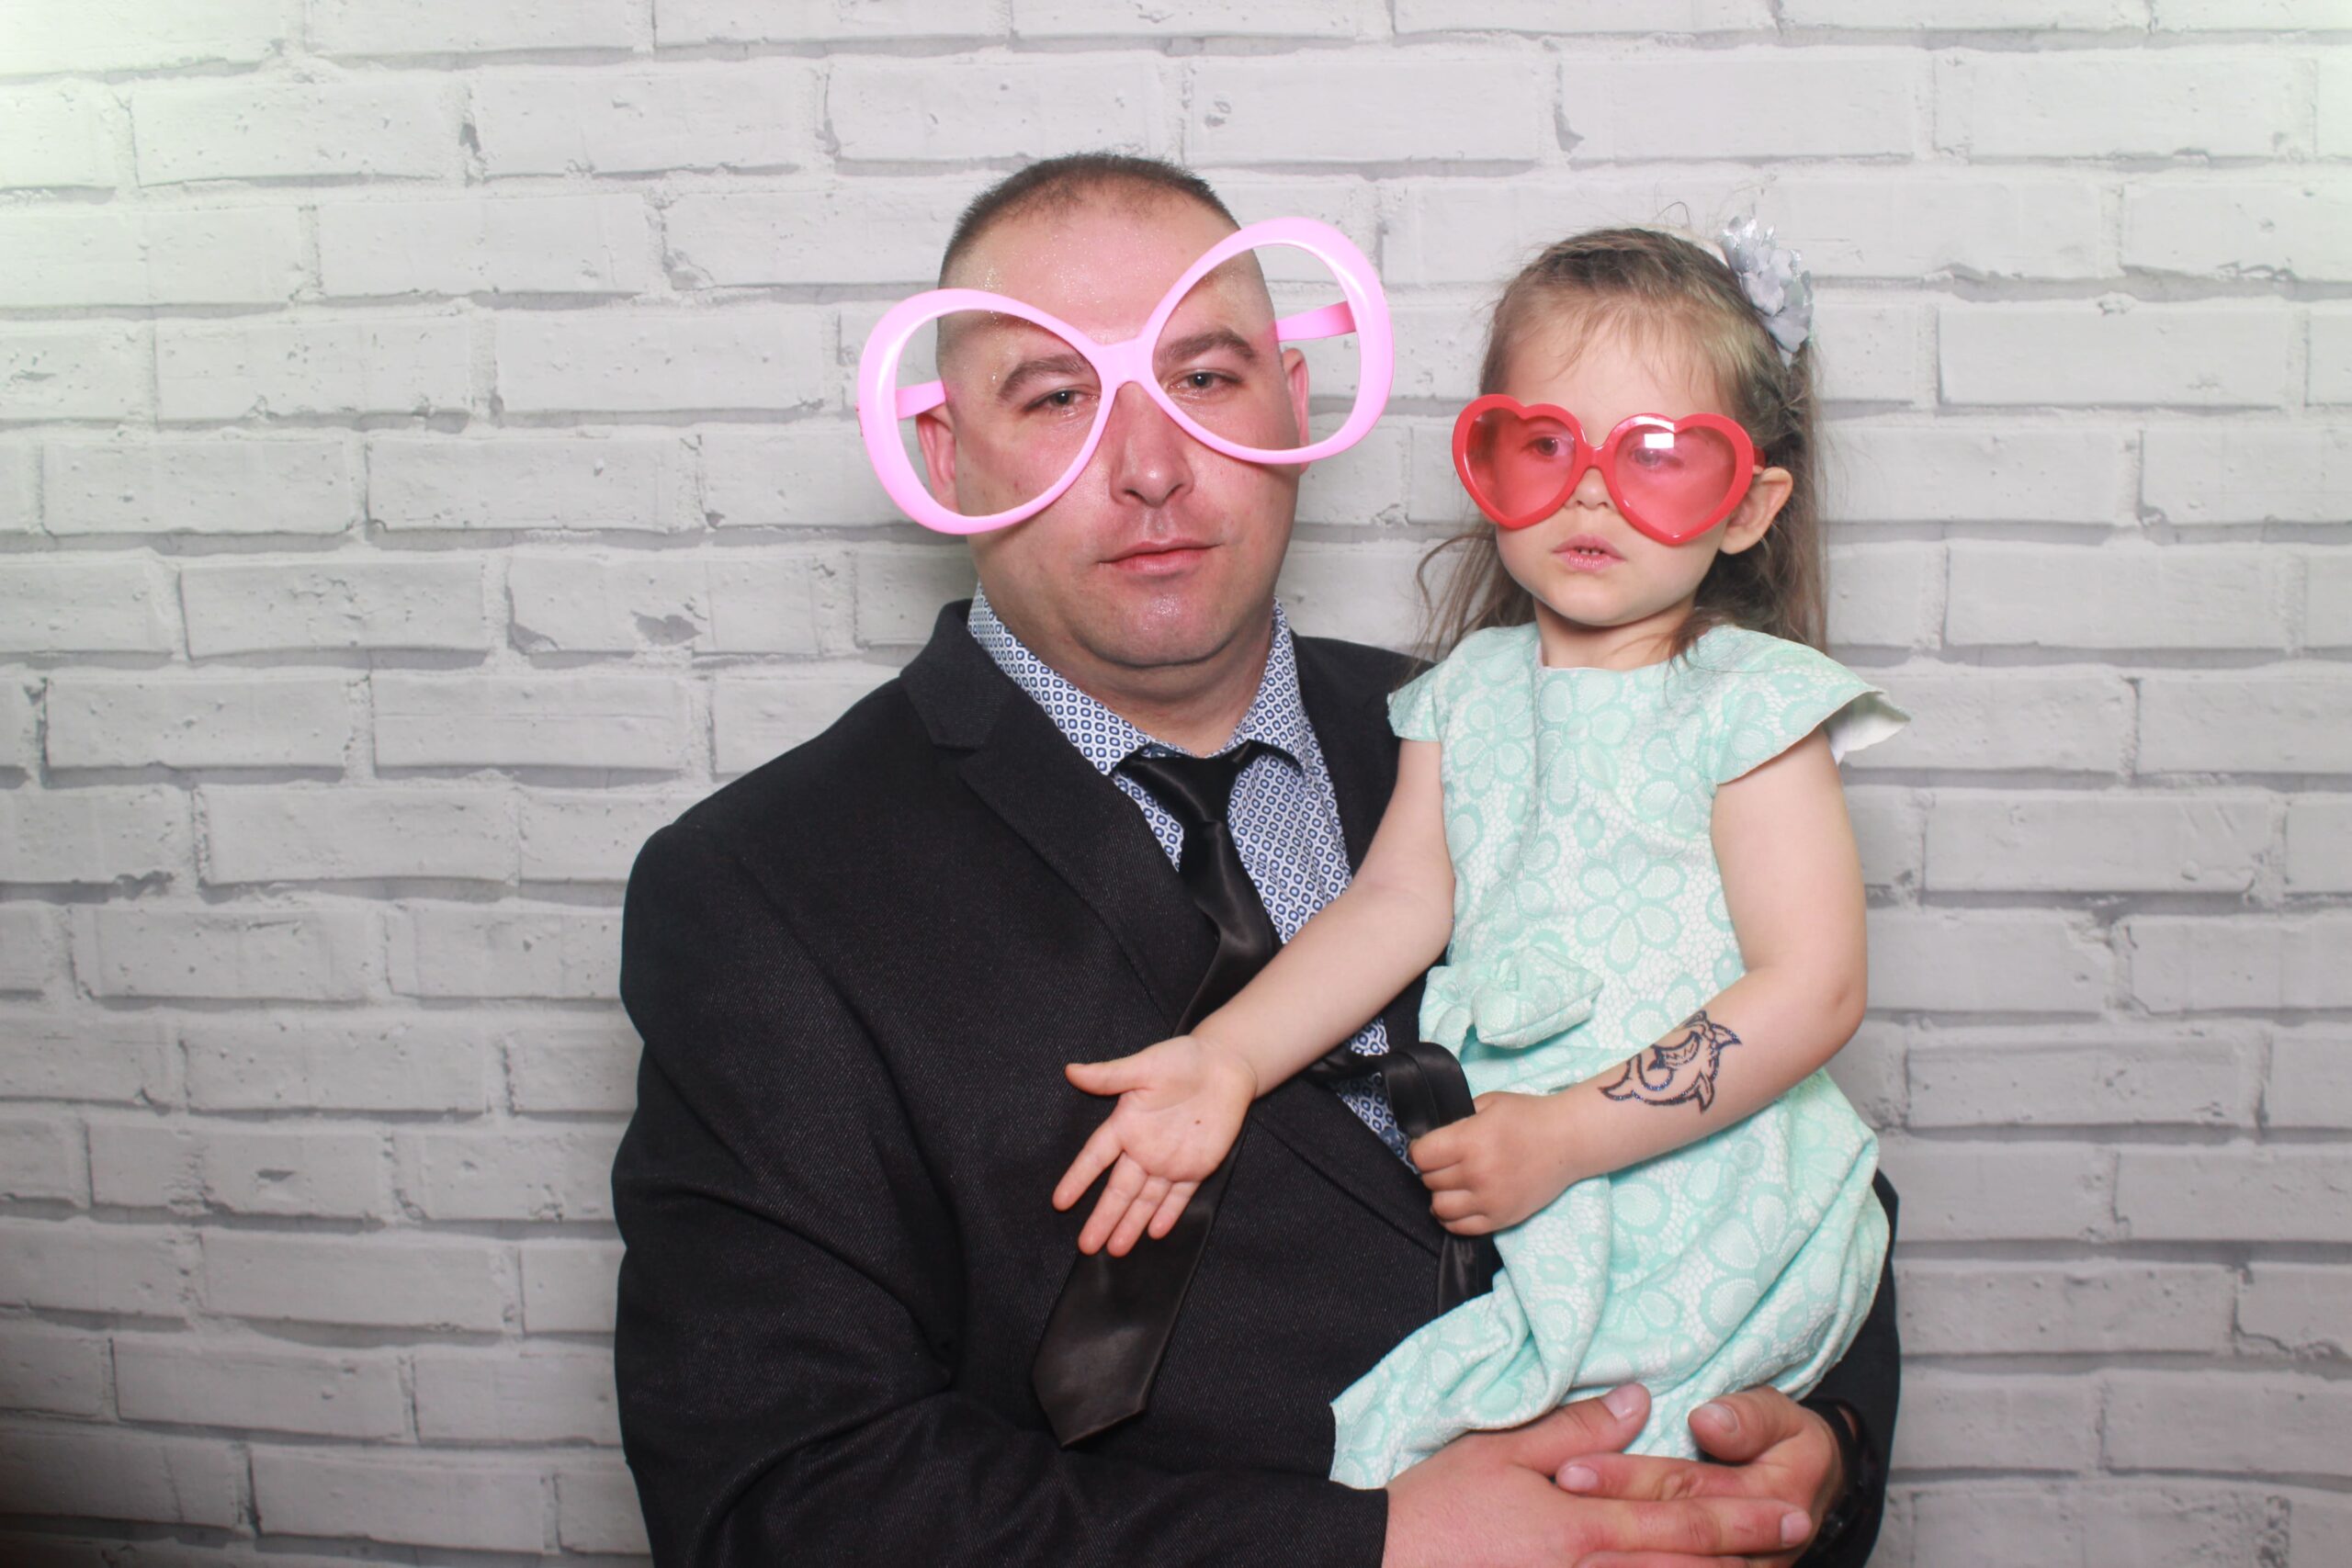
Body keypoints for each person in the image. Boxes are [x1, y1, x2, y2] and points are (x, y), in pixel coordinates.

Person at [611, 153, 1901, 1567]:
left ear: (1293, 400)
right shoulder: (763, 895)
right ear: (944, 454)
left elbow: (1779, 1125)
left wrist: (1816, 1442)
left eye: (1206, 378)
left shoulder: (1504, 723)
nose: (1151, 465)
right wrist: (1374, 1552)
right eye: (1056, 397)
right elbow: (782, 1501)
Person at [1054, 221, 1897, 1487]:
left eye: (1658, 458)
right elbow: (1394, 905)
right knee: (1425, 1472)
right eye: (1543, 446)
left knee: (1625, 1478)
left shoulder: (1750, 703)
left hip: (1706, 1176)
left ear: (1748, 507)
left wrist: (1568, 1137)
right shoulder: (1461, 696)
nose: (1592, 493)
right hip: (1521, 1177)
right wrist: (1228, 1056)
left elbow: (1813, 988)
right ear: (1486, 461)